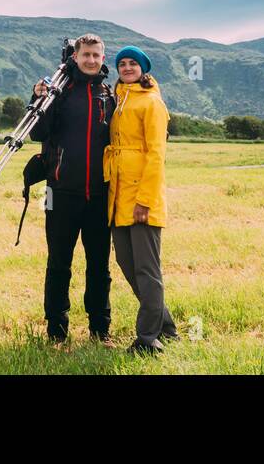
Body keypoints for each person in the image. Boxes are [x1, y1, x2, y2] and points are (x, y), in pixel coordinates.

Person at [30, 33, 116, 345]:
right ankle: (56, 332)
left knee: (99, 267)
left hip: (99, 196)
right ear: (75, 57)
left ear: (102, 59)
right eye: (86, 55)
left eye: (96, 55)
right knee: (58, 265)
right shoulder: (59, 92)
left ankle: (100, 330)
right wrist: (38, 97)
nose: (91, 60)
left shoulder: (109, 95)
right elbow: (37, 131)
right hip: (60, 193)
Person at [105, 45, 178, 354]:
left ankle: (147, 339)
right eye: (122, 63)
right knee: (127, 263)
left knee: (147, 270)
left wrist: (144, 201)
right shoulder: (118, 101)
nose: (126, 67)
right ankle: (167, 327)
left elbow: (156, 155)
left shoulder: (152, 103)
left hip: (142, 198)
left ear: (143, 68)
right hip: (118, 195)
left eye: (133, 63)